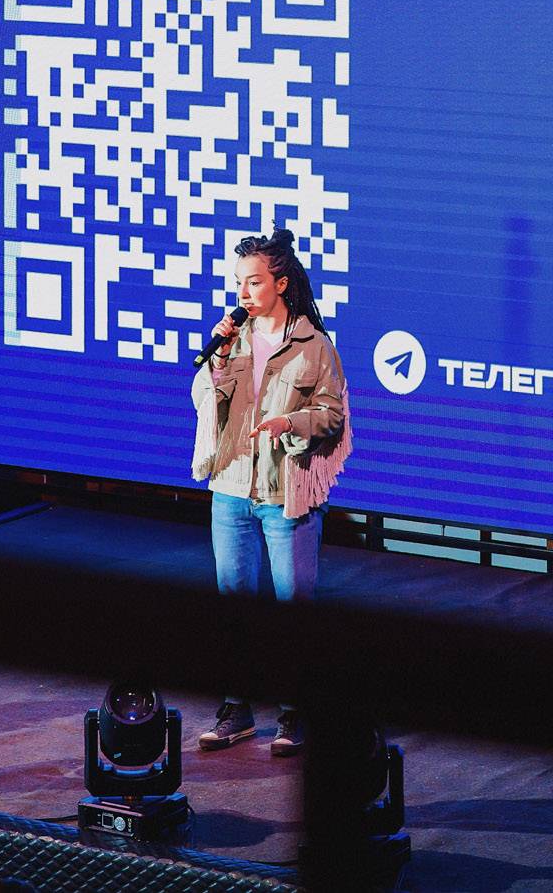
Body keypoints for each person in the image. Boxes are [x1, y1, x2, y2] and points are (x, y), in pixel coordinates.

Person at [189, 227, 350, 758]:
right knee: (234, 606)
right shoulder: (232, 339)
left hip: (286, 493)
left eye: (254, 282)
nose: (244, 293)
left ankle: (295, 713)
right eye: (239, 282)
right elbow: (205, 402)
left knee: (291, 608)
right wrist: (218, 360)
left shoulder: (314, 346)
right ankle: (236, 710)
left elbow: (332, 415)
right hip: (232, 486)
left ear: (280, 283)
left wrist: (291, 422)